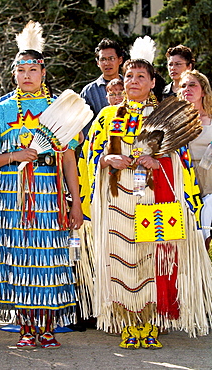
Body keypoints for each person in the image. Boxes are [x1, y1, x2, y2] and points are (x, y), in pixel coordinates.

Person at [78, 38, 212, 349]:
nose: (133, 81)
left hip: (156, 197)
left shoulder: (167, 114)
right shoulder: (108, 117)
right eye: (128, 76)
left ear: (153, 82)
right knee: (122, 256)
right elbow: (90, 154)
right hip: (117, 198)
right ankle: (127, 321)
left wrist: (159, 160)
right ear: (120, 81)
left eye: (141, 76)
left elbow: (183, 161)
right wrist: (106, 159)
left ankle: (151, 322)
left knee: (152, 258)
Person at [0, 21, 83, 349]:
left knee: (49, 259)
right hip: (12, 196)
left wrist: (76, 203)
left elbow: (68, 160)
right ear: (13, 74)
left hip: (49, 192)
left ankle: (48, 328)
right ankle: (25, 328)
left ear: (43, 72)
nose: (26, 75)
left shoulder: (60, 109)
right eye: (20, 69)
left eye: (32, 69)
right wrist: (14, 156)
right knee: (19, 258)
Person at [178, 70, 212, 251]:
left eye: (192, 85)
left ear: (203, 91)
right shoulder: (174, 122)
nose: (187, 89)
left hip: (210, 182)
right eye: (183, 86)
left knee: (207, 233)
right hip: (184, 183)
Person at [80, 38, 123, 137]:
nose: (107, 63)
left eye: (111, 58)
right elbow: (84, 127)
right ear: (98, 63)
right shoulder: (89, 92)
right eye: (103, 59)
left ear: (120, 60)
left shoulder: (130, 86)